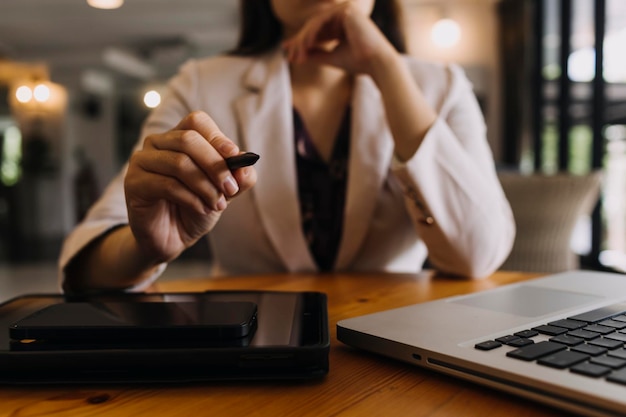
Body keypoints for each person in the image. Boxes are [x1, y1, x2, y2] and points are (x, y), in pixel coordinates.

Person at [59, 0, 516, 293]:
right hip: (248, 347)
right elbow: (85, 263)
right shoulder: (200, 85)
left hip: (400, 344)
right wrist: (147, 249)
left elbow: (478, 255)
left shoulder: (441, 86)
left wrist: (385, 66)